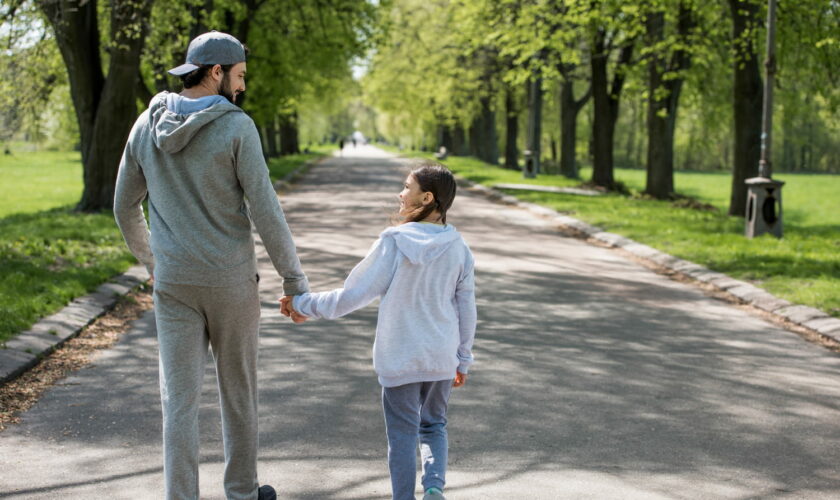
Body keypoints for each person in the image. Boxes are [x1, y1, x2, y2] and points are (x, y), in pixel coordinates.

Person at [114, 31, 308, 500]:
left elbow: (124, 206)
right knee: (237, 393)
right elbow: (264, 209)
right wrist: (293, 279)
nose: (241, 87)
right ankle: (241, 492)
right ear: (217, 71)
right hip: (230, 283)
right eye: (238, 75)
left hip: (175, 282)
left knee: (177, 401)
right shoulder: (237, 126)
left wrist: (152, 261)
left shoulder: (146, 125)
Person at [279, 162, 477, 500]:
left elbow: (351, 297)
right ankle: (433, 489)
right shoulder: (458, 248)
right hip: (440, 357)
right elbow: (466, 309)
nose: (400, 194)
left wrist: (302, 304)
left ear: (427, 197)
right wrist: (462, 359)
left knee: (402, 433)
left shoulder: (393, 242)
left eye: (407, 188)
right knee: (433, 426)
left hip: (399, 357)